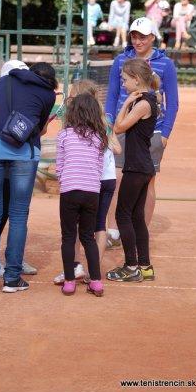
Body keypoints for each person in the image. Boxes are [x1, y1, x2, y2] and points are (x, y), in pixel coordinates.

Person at [0, 61, 57, 293]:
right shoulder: (48, 94)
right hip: (23, 150)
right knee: (19, 214)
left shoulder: (5, 81)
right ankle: (12, 279)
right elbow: (39, 129)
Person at [105, 17, 179, 248]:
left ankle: (140, 234)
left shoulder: (165, 64)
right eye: (134, 36)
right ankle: (113, 232)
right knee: (115, 180)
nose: (138, 40)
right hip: (122, 127)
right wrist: (109, 125)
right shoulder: (120, 61)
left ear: (152, 38)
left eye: (143, 36)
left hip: (152, 131)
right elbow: (111, 95)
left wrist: (165, 134)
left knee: (148, 183)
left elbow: (173, 102)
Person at [53, 79, 121, 285]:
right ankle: (95, 274)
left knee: (71, 231)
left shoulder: (69, 128)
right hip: (101, 180)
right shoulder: (104, 122)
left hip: (83, 183)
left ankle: (74, 270)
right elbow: (116, 149)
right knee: (97, 227)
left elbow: (61, 163)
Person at [106, 59, 160, 282]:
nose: (124, 84)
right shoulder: (146, 100)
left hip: (137, 168)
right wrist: (128, 101)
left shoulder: (143, 104)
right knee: (137, 217)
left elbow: (118, 127)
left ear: (137, 80)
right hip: (142, 166)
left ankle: (131, 266)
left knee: (122, 215)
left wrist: (127, 103)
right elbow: (120, 127)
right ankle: (145, 266)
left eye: (126, 80)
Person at [56, 93, 108, 297]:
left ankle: (69, 282)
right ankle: (95, 281)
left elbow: (59, 167)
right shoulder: (99, 137)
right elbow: (98, 166)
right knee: (88, 237)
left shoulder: (64, 135)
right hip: (92, 192)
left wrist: (66, 182)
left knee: (68, 237)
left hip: (69, 190)